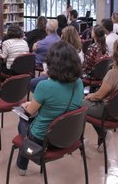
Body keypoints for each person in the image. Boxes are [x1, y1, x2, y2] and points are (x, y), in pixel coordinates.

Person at [16, 41, 84, 176]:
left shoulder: (44, 86)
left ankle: (22, 163)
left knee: (23, 119)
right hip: (70, 134)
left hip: (44, 139)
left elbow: (30, 111)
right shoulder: (79, 83)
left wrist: (25, 105)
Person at [82, 38, 118, 152]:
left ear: (117, 55)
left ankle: (83, 140)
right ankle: (102, 136)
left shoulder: (113, 74)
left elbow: (99, 96)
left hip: (110, 112)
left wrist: (89, 96)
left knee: (79, 104)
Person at [29, 26, 83, 92]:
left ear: (65, 37)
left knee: (32, 83)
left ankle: (43, 98)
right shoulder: (79, 50)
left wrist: (48, 73)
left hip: (60, 78)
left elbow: (61, 70)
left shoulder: (64, 51)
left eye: (62, 34)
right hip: (72, 78)